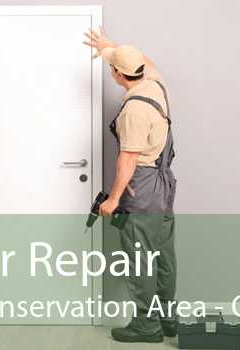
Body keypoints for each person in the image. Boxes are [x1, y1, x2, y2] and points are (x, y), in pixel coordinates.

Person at [83, 28, 178, 343]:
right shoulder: (155, 85)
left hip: (143, 187)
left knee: (140, 257)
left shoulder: (133, 111)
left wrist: (113, 199)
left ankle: (146, 325)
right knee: (162, 253)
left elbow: (128, 160)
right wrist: (110, 48)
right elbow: (146, 62)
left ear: (115, 74)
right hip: (163, 186)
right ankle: (167, 318)